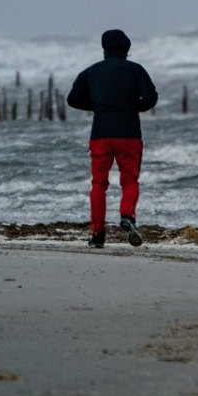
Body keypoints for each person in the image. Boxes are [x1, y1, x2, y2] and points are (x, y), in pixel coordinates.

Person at [66, 29, 158, 248]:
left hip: (101, 135)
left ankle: (97, 235)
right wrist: (132, 107)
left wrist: (99, 106)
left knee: (99, 183)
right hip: (129, 134)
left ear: (104, 48)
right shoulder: (135, 70)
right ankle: (128, 215)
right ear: (127, 48)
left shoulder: (91, 72)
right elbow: (151, 97)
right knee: (130, 180)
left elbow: (73, 99)